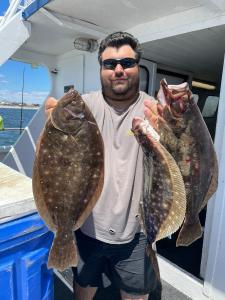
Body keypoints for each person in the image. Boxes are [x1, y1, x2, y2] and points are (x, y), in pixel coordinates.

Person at [45, 31, 160, 300]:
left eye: (127, 63)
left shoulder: (153, 111)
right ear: (101, 68)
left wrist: (166, 133)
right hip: (86, 227)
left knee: (136, 295)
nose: (118, 70)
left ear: (137, 67)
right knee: (83, 290)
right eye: (110, 64)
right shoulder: (83, 107)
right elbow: (56, 159)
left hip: (136, 232)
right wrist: (53, 119)